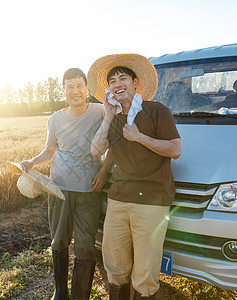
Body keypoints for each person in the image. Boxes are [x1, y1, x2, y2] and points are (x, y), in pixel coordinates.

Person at [89, 54, 181, 300]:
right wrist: (108, 115)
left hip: (152, 201)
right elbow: (96, 150)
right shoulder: (114, 118)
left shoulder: (157, 111)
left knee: (145, 271)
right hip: (119, 199)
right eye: (112, 81)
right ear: (109, 89)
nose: (117, 83)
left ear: (136, 82)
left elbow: (175, 150)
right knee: (114, 264)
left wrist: (140, 137)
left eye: (123, 78)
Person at [21, 68, 112, 300]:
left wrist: (104, 169)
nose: (75, 91)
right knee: (59, 239)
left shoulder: (100, 111)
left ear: (86, 88)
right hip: (59, 188)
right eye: (70, 87)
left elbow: (114, 143)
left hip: (89, 190)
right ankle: (60, 291)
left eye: (79, 86)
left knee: (85, 244)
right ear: (63, 90)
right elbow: (50, 151)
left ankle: (80, 296)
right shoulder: (55, 119)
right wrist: (32, 161)